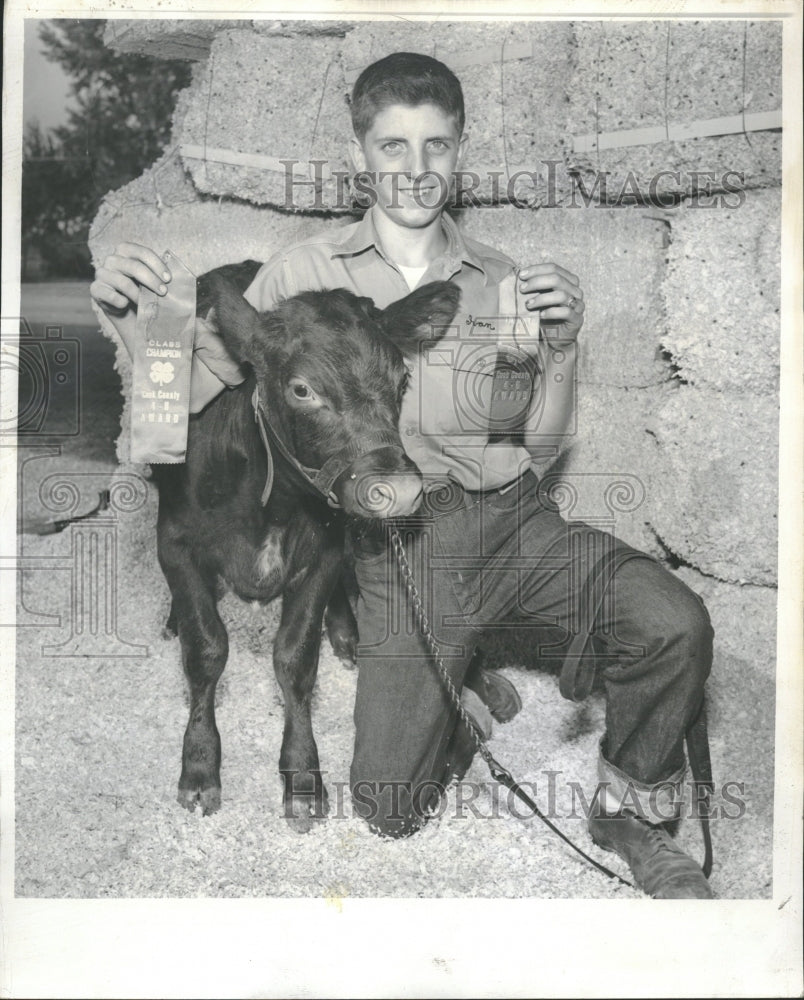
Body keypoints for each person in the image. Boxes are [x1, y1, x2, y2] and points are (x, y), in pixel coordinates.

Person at [91, 52, 715, 898]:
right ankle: (453, 698)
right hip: (402, 541)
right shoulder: (298, 276)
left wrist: (562, 345)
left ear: (459, 153)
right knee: (387, 807)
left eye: (436, 147)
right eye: (393, 146)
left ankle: (629, 810)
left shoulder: (502, 279)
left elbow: (540, 440)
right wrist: (131, 316)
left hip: (518, 521)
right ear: (361, 155)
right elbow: (196, 394)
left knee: (673, 620)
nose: (415, 170)